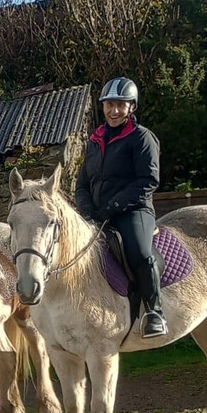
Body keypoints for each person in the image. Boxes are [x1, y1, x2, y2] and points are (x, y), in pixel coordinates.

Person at [74, 77, 165, 338]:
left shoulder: (141, 138)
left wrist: (113, 206)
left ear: (131, 107)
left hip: (133, 210)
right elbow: (82, 183)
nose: (114, 110)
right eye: (109, 104)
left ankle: (154, 310)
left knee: (138, 250)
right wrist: (86, 209)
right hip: (97, 214)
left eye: (120, 105)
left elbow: (148, 180)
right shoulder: (94, 141)